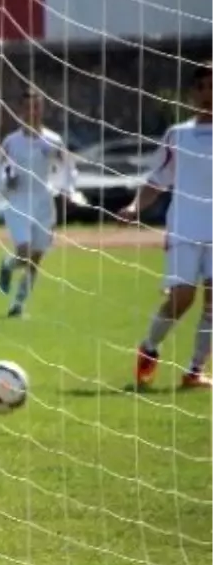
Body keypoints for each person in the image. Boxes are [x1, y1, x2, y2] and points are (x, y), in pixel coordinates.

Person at [117, 61, 213, 390]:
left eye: (212, 87)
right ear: (193, 93)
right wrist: (134, 207)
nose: (207, 94)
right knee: (182, 299)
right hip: (186, 228)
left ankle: (194, 371)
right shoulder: (178, 135)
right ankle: (149, 347)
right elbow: (157, 180)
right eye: (201, 87)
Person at [0, 89, 88, 318]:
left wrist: (67, 190)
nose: (32, 111)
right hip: (19, 201)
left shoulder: (53, 140)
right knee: (23, 253)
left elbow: (67, 167)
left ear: (42, 109)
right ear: (21, 110)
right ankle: (7, 265)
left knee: (35, 259)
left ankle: (18, 305)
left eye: (37, 106)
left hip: (44, 201)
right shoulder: (11, 142)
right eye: (28, 107)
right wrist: (5, 182)